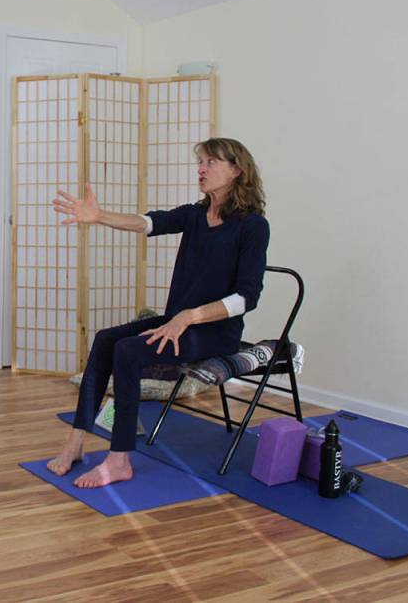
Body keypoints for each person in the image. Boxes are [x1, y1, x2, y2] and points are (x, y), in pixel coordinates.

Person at [47, 137, 269, 488]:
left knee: (128, 350)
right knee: (106, 339)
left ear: (236, 170)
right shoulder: (196, 215)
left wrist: (189, 317)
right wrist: (98, 216)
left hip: (214, 333)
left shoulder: (253, 226)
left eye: (211, 162)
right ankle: (75, 442)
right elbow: (148, 222)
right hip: (176, 324)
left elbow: (247, 298)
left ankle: (119, 460)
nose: (201, 168)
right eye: (201, 161)